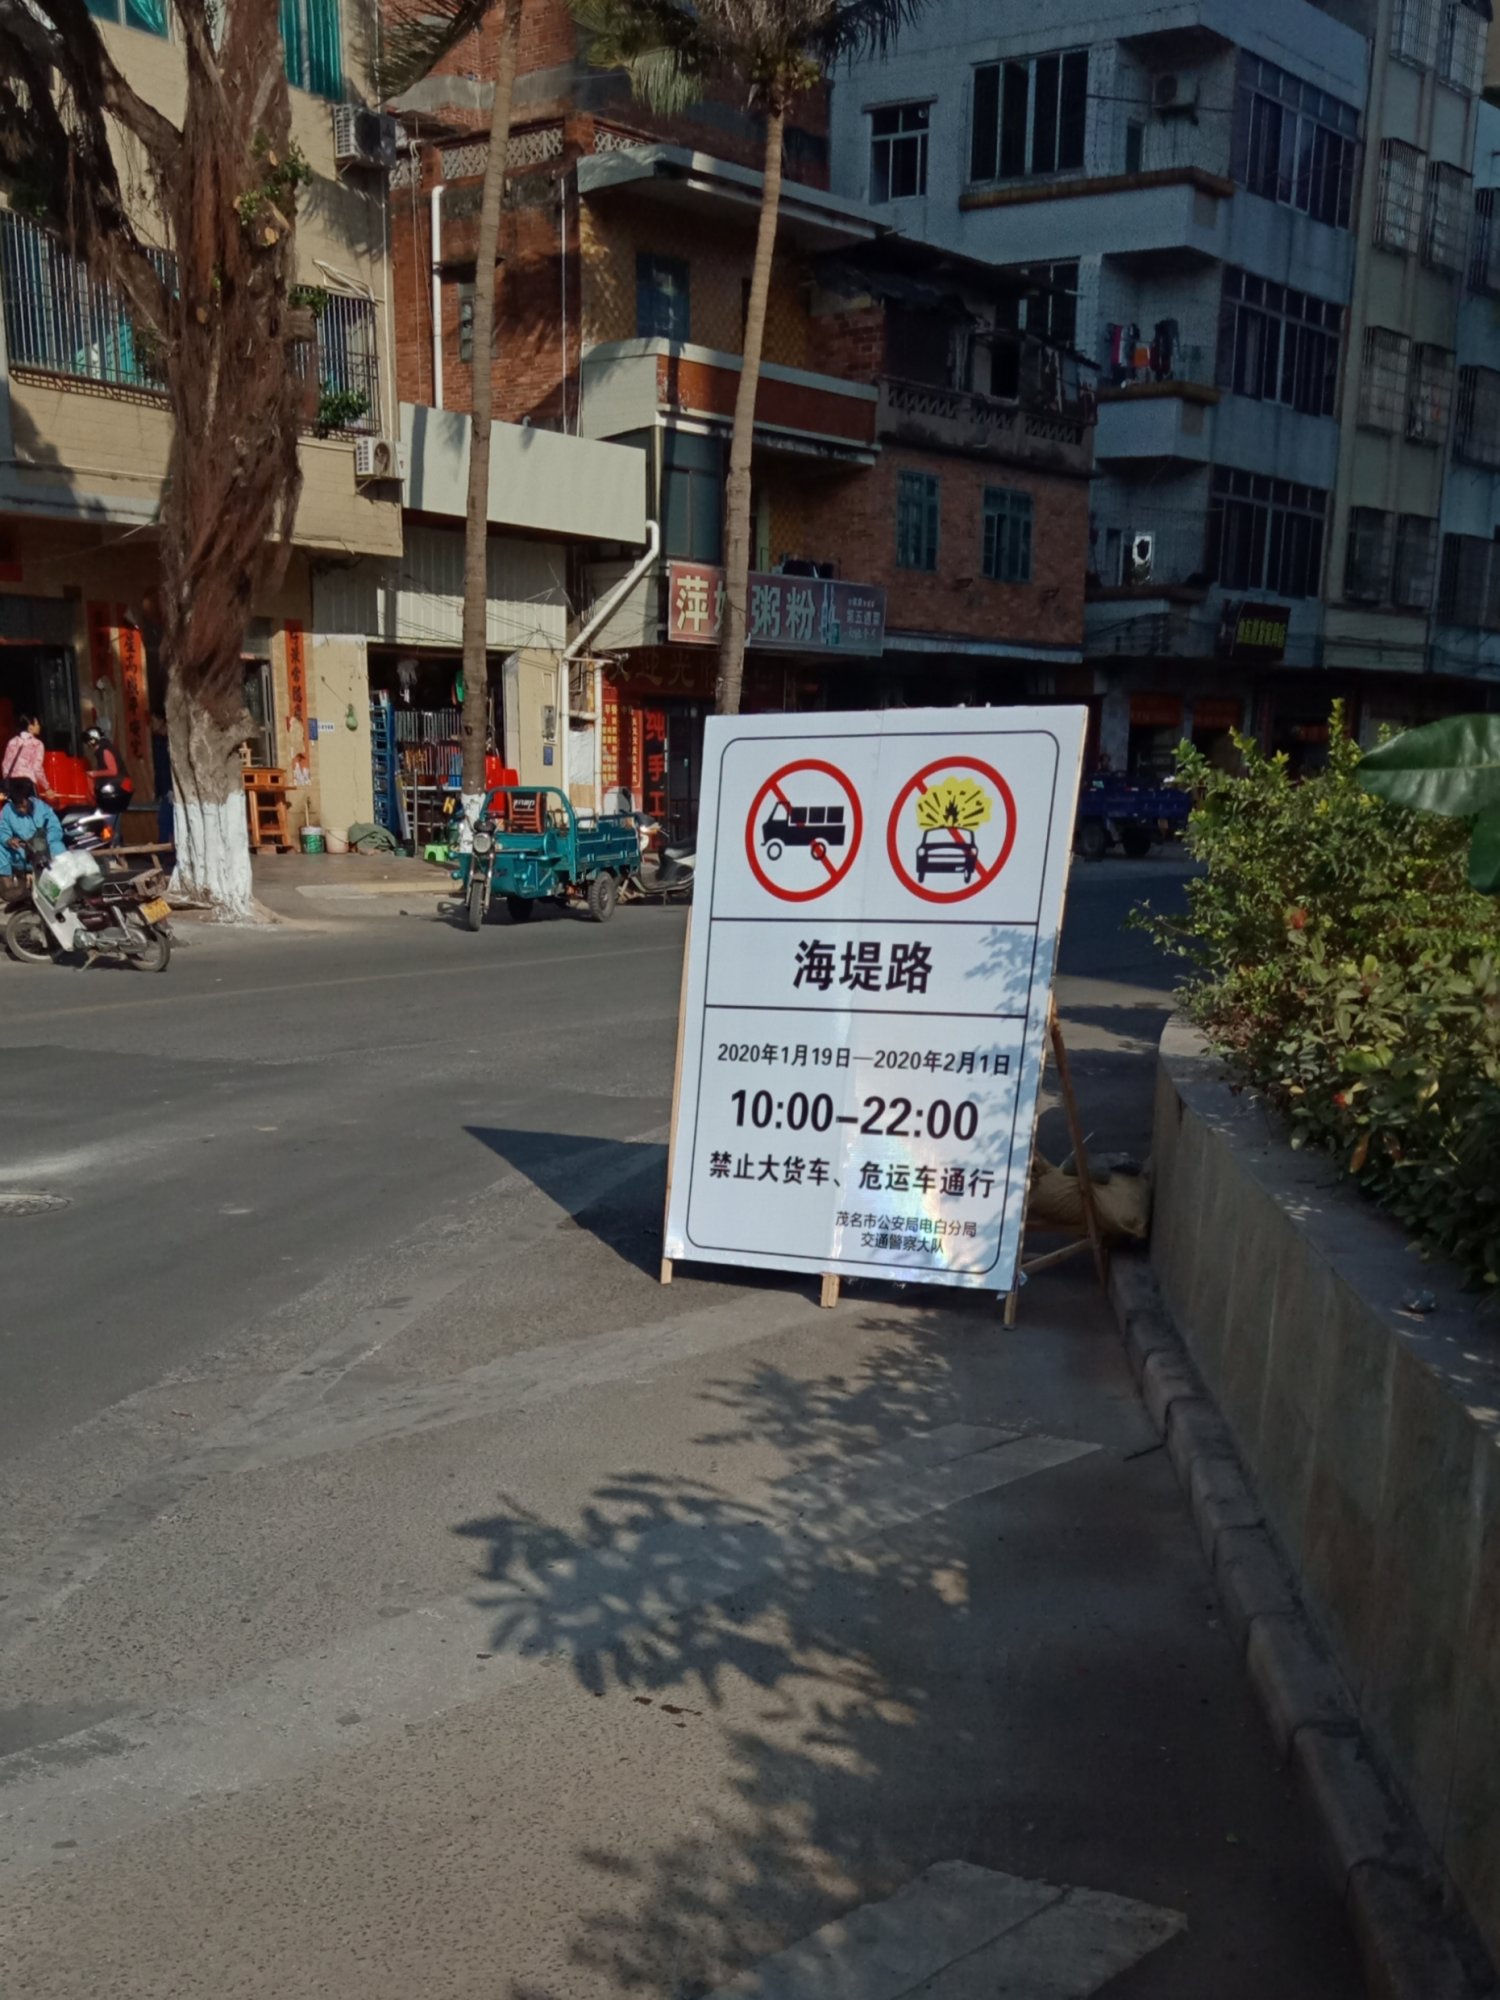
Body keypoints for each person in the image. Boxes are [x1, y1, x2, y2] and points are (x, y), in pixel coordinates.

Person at [0, 776, 65, 886]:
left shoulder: (43, 808)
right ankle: (8, 886)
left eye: (23, 806)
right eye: (18, 807)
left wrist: (43, 841)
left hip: (44, 851)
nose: (21, 810)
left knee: (58, 846)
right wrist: (8, 840)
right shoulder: (7, 810)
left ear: (29, 799)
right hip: (22, 853)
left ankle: (62, 881)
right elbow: (2, 830)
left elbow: (56, 829)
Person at [84, 725, 133, 839]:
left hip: (119, 787)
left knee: (109, 817)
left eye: (89, 740)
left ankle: (111, 842)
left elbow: (113, 770)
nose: (88, 744)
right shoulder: (103, 748)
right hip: (117, 787)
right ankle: (113, 841)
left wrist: (94, 774)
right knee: (110, 817)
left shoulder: (104, 749)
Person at [2, 715, 54, 803]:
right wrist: (47, 787)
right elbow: (37, 769)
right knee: (32, 810)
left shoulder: (12, 742)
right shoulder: (37, 744)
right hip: (27, 785)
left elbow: (5, 765)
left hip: (12, 786)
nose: (39, 726)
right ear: (30, 727)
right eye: (37, 724)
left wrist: (7, 781)